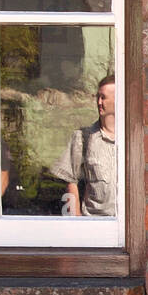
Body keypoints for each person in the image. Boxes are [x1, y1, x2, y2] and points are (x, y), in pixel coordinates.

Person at [51, 74, 117, 218]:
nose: (99, 102)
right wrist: (77, 221)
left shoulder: (131, 140)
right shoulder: (83, 137)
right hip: (94, 225)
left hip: (126, 228)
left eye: (104, 97)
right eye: (98, 97)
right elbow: (71, 181)